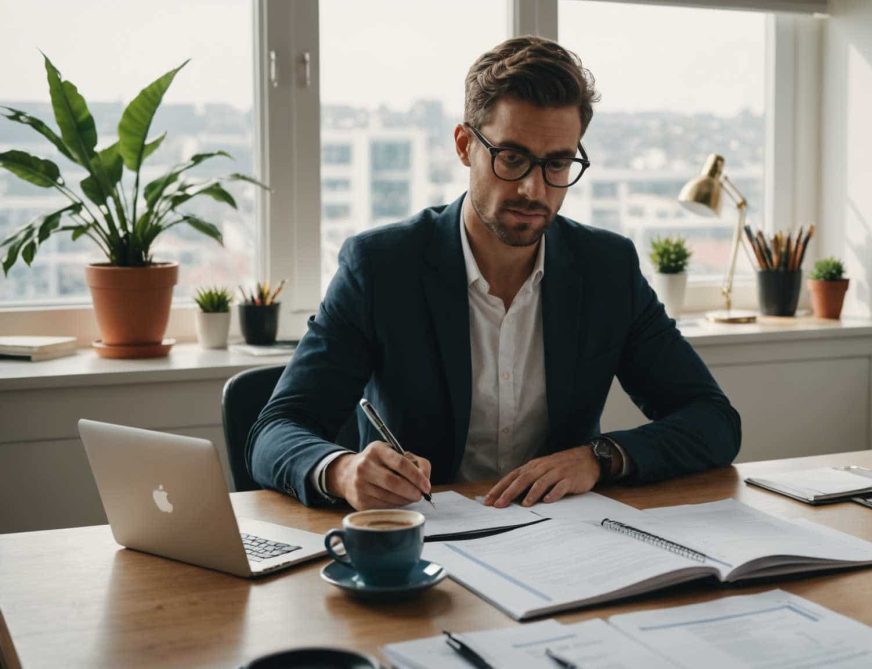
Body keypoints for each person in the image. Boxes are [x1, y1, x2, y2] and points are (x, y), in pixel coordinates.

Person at [247, 36, 740, 511]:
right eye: (512, 157)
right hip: (423, 543)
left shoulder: (606, 269)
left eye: (558, 163)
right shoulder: (380, 267)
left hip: (563, 541)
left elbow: (713, 420)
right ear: (465, 146)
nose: (534, 188)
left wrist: (599, 458)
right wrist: (342, 471)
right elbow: (276, 431)